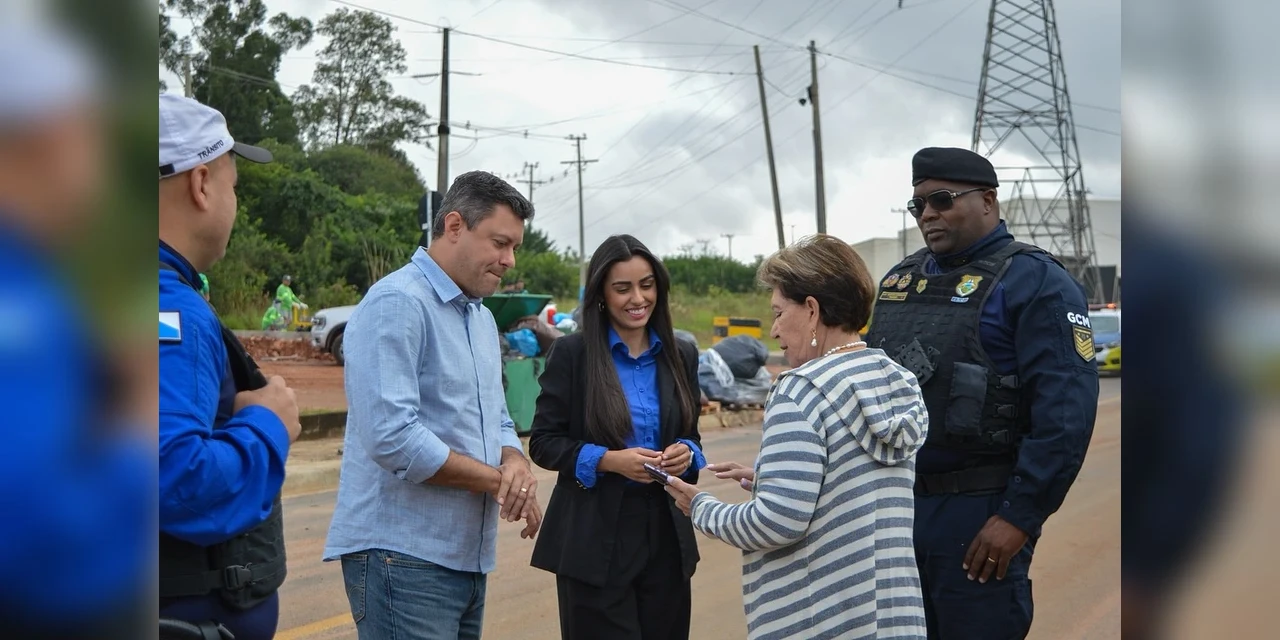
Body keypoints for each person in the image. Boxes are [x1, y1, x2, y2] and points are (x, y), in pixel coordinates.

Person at [864, 147, 1100, 639]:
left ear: (989, 200)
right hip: (896, 510)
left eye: (943, 199)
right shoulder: (899, 281)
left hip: (979, 513)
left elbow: (1064, 417)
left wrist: (1019, 517)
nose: (928, 214)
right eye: (919, 205)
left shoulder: (1036, 283)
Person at [664, 234, 929, 640]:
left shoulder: (802, 390)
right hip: (891, 616)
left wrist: (700, 507)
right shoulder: (895, 379)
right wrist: (768, 478)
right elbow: (852, 486)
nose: (772, 330)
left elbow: (776, 524)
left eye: (777, 312)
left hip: (824, 618)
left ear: (810, 309)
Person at [324, 170, 542, 640]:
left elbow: (497, 417)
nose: (509, 260)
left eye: (515, 247)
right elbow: (392, 436)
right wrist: (499, 483)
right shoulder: (397, 303)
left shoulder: (480, 319)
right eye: (500, 243)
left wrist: (514, 460)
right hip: (401, 556)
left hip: (463, 555)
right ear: (456, 226)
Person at [0, 20, 152, 639]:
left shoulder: (39, 276)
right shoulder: (19, 308)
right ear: (45, 140)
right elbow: (39, 532)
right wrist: (138, 425)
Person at [158, 92, 302, 640]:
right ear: (200, 184)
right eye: (233, 185)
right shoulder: (165, 307)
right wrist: (268, 420)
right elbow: (170, 479)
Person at [529, 234, 705, 640]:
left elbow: (691, 435)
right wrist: (608, 460)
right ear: (602, 295)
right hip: (594, 539)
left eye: (646, 285)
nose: (637, 298)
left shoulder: (681, 354)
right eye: (622, 288)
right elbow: (543, 441)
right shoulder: (573, 354)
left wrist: (687, 452)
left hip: (665, 533)